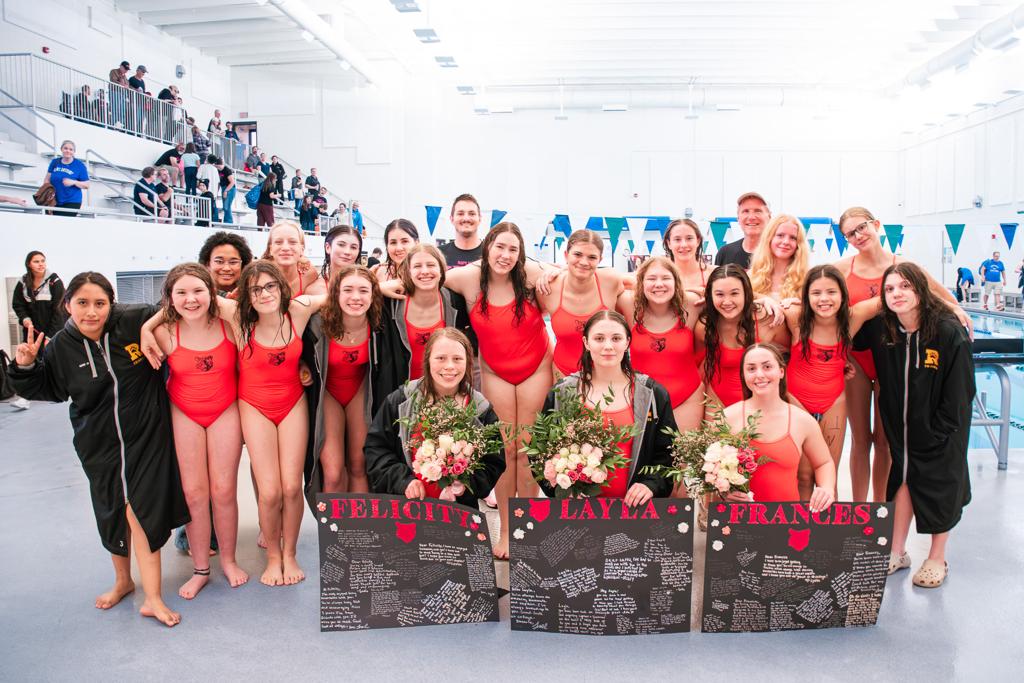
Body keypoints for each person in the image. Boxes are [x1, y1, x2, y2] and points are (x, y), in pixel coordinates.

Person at [8, 272, 189, 626]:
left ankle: (152, 597)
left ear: (112, 303)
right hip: (98, 444)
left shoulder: (132, 320)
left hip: (147, 437)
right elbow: (51, 390)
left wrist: (149, 327)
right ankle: (123, 581)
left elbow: (174, 307)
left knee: (141, 514)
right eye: (82, 303)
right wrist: (26, 366)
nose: (91, 312)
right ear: (67, 305)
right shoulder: (61, 346)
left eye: (100, 303)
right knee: (112, 512)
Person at [833, 206, 969, 502]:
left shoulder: (903, 265)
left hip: (891, 361)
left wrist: (957, 310)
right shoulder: (843, 269)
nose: (858, 236)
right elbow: (821, 300)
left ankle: (880, 508)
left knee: (884, 441)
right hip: (856, 361)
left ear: (876, 225)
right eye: (849, 234)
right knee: (860, 441)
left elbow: (943, 297)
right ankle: (860, 510)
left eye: (862, 228)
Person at [857, 262, 974, 589]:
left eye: (905, 287)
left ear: (921, 290)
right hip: (902, 432)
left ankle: (937, 557)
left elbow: (962, 392)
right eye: (890, 289)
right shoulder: (884, 329)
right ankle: (897, 551)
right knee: (903, 483)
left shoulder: (948, 332)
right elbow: (847, 337)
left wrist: (941, 430)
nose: (897, 294)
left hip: (942, 432)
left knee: (941, 490)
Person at [441, 223, 555, 558]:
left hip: (536, 368)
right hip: (495, 372)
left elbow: (570, 273)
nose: (505, 256)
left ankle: (526, 526)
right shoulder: (468, 277)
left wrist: (549, 271)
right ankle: (506, 531)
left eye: (513, 250)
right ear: (487, 247)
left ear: (521, 254)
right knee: (507, 452)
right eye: (499, 247)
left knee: (528, 450)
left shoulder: (532, 273)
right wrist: (379, 278)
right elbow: (424, 274)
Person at [147, 264, 247, 598]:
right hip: (184, 412)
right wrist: (150, 325)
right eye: (181, 293)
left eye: (198, 291)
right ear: (169, 298)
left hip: (225, 410)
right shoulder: (164, 332)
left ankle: (229, 560)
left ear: (211, 292)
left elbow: (239, 308)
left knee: (223, 489)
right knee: (194, 493)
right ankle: (201, 568)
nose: (191, 300)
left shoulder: (229, 324)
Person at [539, 310, 676, 504]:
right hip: (578, 512)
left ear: (627, 342)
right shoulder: (562, 393)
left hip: (635, 512)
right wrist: (562, 489)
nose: (608, 346)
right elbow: (541, 452)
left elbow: (668, 453)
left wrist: (651, 484)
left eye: (616, 338)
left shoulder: (652, 394)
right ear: (586, 343)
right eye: (599, 338)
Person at [364, 328, 506, 505]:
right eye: (440, 358)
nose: (449, 366)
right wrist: (403, 481)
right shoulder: (401, 400)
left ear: (468, 362)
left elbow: (494, 462)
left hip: (459, 512)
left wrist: (467, 485)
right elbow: (376, 449)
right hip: (407, 509)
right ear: (428, 360)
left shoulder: (479, 408)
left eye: (457, 359)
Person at [782, 265, 881, 497]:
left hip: (834, 402)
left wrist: (952, 306)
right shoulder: (796, 317)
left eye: (831, 292)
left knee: (828, 476)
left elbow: (892, 296)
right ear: (806, 296)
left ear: (842, 295)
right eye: (816, 293)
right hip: (797, 402)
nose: (824, 299)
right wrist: (773, 302)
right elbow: (752, 299)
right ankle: (801, 530)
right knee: (803, 475)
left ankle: (826, 531)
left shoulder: (852, 318)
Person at [721, 344, 836, 509]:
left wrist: (827, 488)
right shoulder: (727, 418)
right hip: (738, 523)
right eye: (751, 369)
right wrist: (723, 490)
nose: (760, 374)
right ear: (744, 375)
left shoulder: (802, 420)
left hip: (786, 523)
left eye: (767, 367)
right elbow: (707, 468)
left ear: (781, 371)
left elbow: (824, 463)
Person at [307, 266, 385, 496]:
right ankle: (333, 529)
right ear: (336, 294)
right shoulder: (318, 324)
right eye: (348, 290)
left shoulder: (378, 324)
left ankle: (359, 529)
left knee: (359, 464)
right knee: (332, 471)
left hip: (359, 392)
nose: (356, 298)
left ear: (373, 295)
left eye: (363, 290)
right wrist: (304, 367)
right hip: (329, 394)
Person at [617, 256, 703, 435]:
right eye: (651, 278)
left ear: (676, 282)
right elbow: (598, 280)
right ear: (640, 282)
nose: (659, 284)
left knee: (684, 460)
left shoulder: (692, 305)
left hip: (687, 397)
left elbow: (733, 291)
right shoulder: (629, 305)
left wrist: (764, 300)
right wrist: (555, 270)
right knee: (643, 460)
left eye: (665, 278)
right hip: (642, 397)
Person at [378, 243, 472, 388]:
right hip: (402, 393)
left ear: (442, 269)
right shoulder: (392, 304)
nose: (425, 271)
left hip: (444, 393)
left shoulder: (456, 304)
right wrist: (377, 288)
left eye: (430, 265)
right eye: (417, 266)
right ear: (408, 271)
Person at [537, 229, 627, 377]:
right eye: (577, 254)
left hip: (604, 375)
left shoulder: (610, 281)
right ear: (566, 255)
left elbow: (643, 281)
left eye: (592, 257)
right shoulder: (548, 288)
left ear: (600, 260)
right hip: (562, 374)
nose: (584, 262)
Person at [695, 264, 783, 411]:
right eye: (719, 294)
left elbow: (792, 352)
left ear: (746, 293)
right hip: (717, 401)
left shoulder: (767, 320)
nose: (727, 301)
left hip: (761, 401)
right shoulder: (705, 327)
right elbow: (698, 362)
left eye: (734, 293)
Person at [12, 250, 65, 344]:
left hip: (51, 335)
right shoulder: (23, 282)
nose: (41, 264)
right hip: (31, 334)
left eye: (43, 261)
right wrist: (25, 318)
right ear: (29, 264)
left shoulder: (55, 282)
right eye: (36, 262)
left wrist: (50, 337)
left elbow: (59, 311)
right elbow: (17, 304)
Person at [261, 221, 325, 296]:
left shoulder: (309, 273)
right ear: (271, 249)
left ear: (302, 249)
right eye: (278, 242)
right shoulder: (259, 275)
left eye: (292, 242)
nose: (285, 248)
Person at [714, 191, 771, 269]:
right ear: (738, 218)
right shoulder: (725, 253)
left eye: (758, 211)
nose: (751, 217)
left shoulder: (778, 253)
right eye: (745, 211)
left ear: (769, 217)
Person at [662, 218, 713, 295]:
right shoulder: (658, 276)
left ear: (698, 241)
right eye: (677, 239)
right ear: (669, 243)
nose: (684, 245)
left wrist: (709, 299)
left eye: (689, 238)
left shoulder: (713, 274)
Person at [198, 230, 254, 296]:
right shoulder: (197, 295)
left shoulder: (252, 294)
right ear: (208, 264)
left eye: (233, 262)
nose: (226, 268)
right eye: (219, 261)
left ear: (243, 265)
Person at [44, 140, 89, 217]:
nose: (68, 151)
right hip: (54, 200)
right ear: (61, 149)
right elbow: (47, 179)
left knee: (64, 225)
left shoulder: (79, 165)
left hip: (72, 201)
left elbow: (87, 185)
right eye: (65, 148)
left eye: (71, 149)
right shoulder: (55, 162)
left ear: (74, 152)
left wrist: (74, 182)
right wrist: (48, 196)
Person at [439, 194, 483, 268]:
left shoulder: (490, 253)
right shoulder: (439, 254)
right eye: (460, 214)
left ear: (479, 218)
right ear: (452, 219)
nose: (466, 218)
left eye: (472, 214)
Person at [214, 157, 236, 224]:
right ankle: (227, 221)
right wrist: (216, 192)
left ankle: (229, 222)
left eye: (218, 166)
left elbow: (232, 182)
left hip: (230, 188)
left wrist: (226, 191)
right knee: (225, 206)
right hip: (224, 187)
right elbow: (218, 183)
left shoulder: (227, 170)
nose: (217, 167)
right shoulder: (218, 170)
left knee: (226, 206)